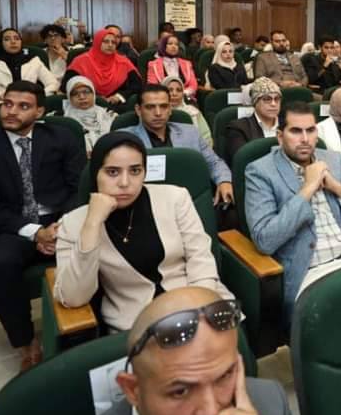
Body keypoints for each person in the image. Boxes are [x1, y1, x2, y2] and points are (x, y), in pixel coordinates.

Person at [41, 287, 307, 415]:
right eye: (180, 391)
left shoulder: (269, 406)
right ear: (132, 389)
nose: (210, 412)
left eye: (224, 377)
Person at [0, 81, 86, 371]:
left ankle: (90, 331)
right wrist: (35, 233)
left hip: (59, 220)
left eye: (23, 106)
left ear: (39, 112)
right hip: (10, 225)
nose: (11, 111)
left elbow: (78, 188)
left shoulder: (62, 138)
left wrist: (60, 227)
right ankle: (24, 340)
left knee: (101, 244)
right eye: (7, 104)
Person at [54, 133, 232, 331]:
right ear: (96, 173)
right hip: (137, 324)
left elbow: (200, 259)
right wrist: (92, 223)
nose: (124, 182)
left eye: (135, 171)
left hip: (199, 303)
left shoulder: (175, 198)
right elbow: (73, 297)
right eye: (112, 172)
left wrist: (199, 309)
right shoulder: (74, 223)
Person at [244, 103, 341, 323]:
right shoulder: (260, 172)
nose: (305, 139)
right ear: (280, 136)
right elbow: (265, 240)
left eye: (310, 130)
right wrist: (307, 188)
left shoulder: (333, 160)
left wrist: (337, 187)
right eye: (296, 131)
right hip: (312, 272)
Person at [121, 86, 233, 206]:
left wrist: (224, 181)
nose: (158, 113)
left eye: (163, 106)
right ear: (138, 110)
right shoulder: (124, 139)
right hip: (145, 203)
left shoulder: (190, 133)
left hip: (189, 200)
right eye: (150, 107)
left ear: (170, 109)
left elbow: (214, 162)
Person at [0, 28, 60, 120]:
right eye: (7, 39)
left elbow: (53, 83)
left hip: (29, 102)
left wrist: (36, 96)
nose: (13, 42)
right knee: (16, 114)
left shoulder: (34, 61)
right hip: (0, 102)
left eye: (16, 38)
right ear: (1, 43)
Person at [63, 28, 142, 108]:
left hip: (117, 105)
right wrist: (94, 96)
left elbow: (137, 85)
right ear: (97, 42)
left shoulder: (123, 62)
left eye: (113, 42)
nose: (110, 45)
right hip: (86, 104)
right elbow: (66, 86)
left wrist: (120, 96)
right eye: (106, 41)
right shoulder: (80, 61)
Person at [223, 77, 281, 165]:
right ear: (255, 102)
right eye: (267, 99)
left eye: (277, 99)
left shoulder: (288, 124)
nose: (273, 104)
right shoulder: (238, 128)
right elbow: (243, 162)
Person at [62, 76, 115, 155]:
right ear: (69, 98)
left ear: (93, 94)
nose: (82, 97)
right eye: (75, 94)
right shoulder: (63, 120)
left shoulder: (109, 115)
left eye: (86, 92)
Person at [161, 75, 212, 147]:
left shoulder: (193, 112)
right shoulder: (157, 113)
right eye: (170, 90)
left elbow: (206, 137)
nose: (174, 94)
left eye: (179, 90)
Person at [147, 34, 198, 100]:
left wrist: (183, 94)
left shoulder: (187, 64)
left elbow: (193, 84)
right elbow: (153, 86)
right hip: (162, 99)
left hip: (184, 97)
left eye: (176, 44)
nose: (174, 46)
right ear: (163, 46)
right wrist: (168, 95)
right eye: (170, 44)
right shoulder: (153, 65)